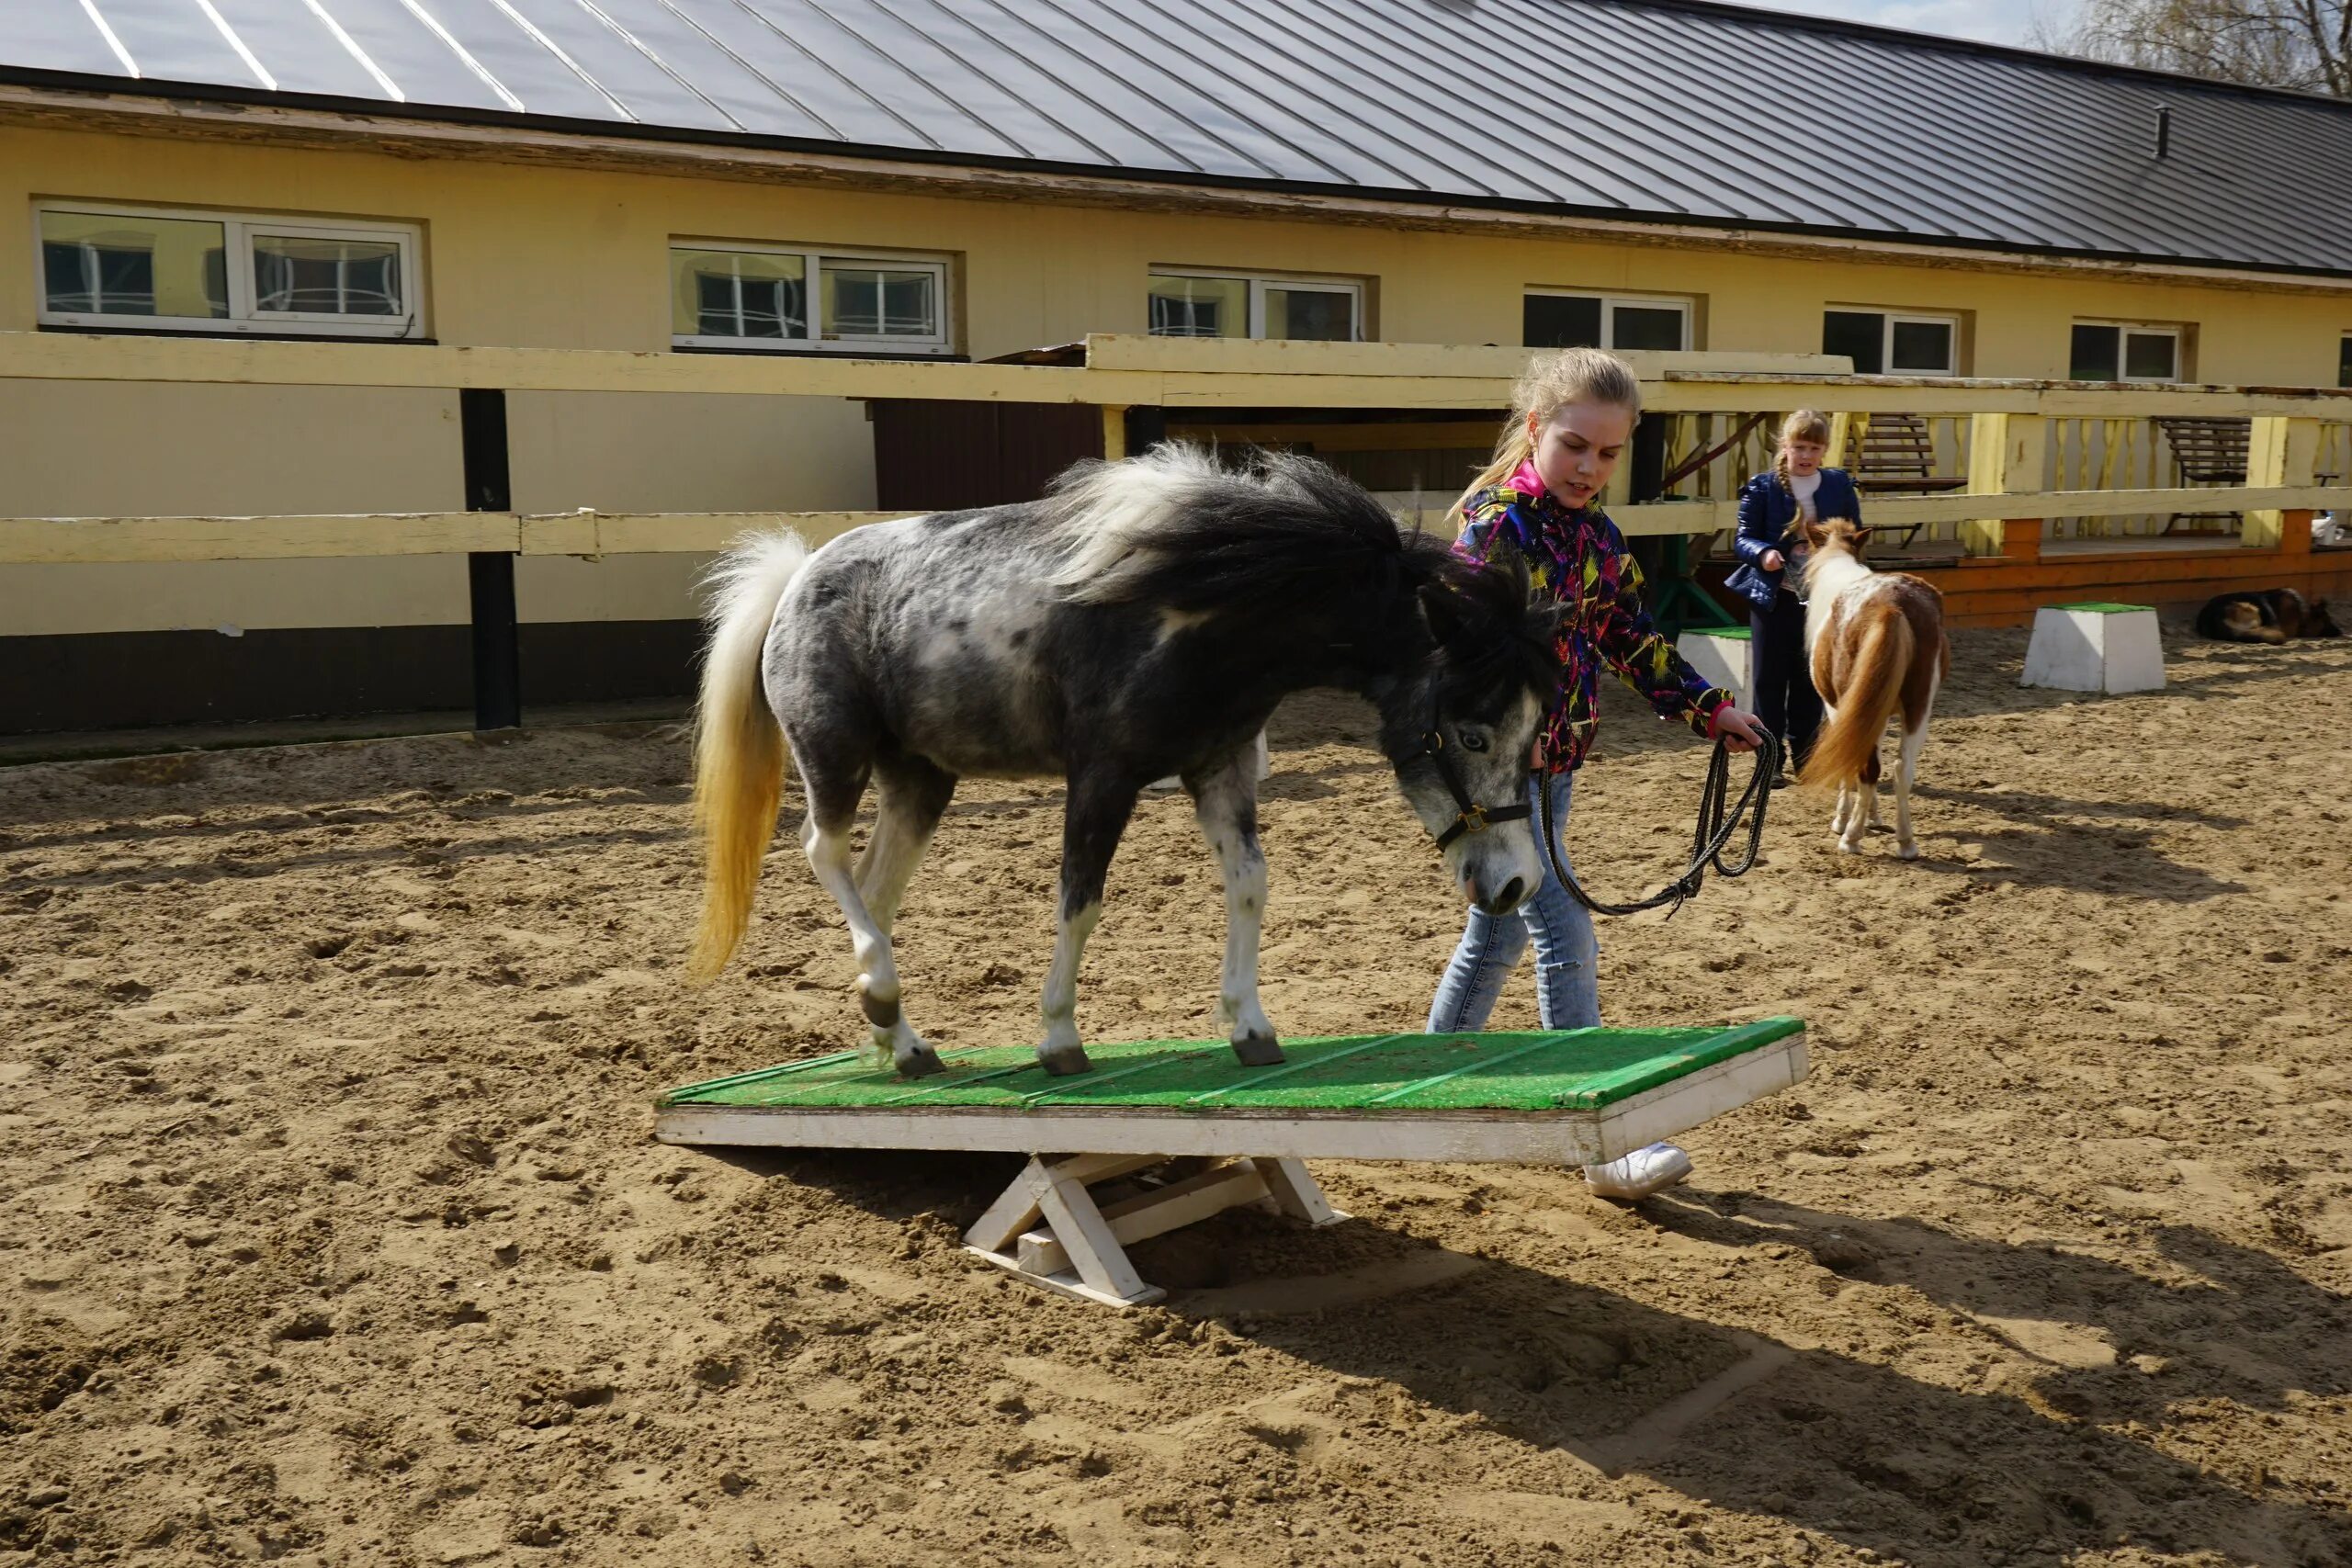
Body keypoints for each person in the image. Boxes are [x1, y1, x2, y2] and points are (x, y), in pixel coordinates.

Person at [1430, 348, 1770, 1201]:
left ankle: (1430, 1085)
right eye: (1576, 445)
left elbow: (1631, 639)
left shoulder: (1599, 538)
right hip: (1496, 780)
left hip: (1555, 774)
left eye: (1610, 453)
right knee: (1565, 934)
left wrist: (1707, 707)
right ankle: (1605, 1138)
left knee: (1499, 935)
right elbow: (1452, 662)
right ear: (1538, 430)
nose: (1591, 467)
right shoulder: (1493, 528)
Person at [1724, 411, 1861, 784]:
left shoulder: (1838, 485)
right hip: (1773, 593)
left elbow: (1854, 531)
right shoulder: (1763, 486)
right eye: (1799, 446)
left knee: (1810, 678)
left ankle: (1807, 759)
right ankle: (1769, 760)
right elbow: (1742, 537)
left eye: (1814, 448)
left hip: (1819, 595)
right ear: (1785, 447)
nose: (1806, 454)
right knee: (1769, 680)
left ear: (1824, 450)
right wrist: (1763, 553)